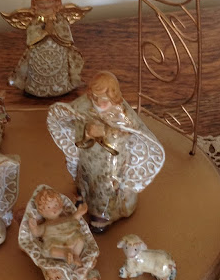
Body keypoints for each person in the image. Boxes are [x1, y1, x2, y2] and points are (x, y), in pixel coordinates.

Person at [47, 71, 165, 232]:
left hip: (110, 162)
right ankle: (82, 199)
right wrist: (86, 131)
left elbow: (130, 132)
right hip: (88, 154)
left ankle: (102, 215)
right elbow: (75, 119)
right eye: (95, 98)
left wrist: (105, 132)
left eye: (104, 100)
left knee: (105, 185)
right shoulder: (84, 105)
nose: (99, 103)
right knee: (84, 177)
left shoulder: (121, 113)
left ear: (114, 97)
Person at [1, 0, 91, 97]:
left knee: (69, 61)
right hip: (39, 56)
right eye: (41, 3)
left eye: (50, 2)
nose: (45, 6)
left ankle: (64, 85)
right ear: (35, 5)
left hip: (59, 55)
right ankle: (36, 88)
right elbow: (31, 42)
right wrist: (45, 33)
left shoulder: (61, 21)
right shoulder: (34, 23)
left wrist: (54, 33)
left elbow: (67, 40)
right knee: (29, 64)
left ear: (57, 3)